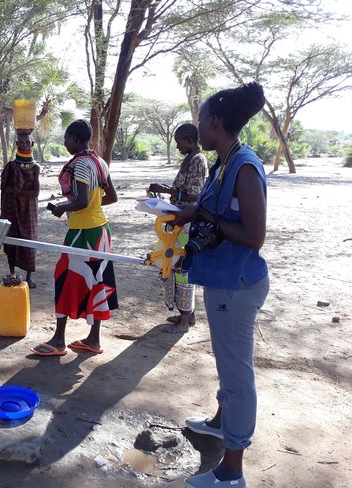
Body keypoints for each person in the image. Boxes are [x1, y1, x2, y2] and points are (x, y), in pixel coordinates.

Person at [169, 82, 269, 488]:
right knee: (227, 363)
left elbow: (254, 235)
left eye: (200, 121)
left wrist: (204, 218)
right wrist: (191, 213)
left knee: (236, 373)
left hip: (238, 284)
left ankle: (232, 470)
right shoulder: (224, 162)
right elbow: (212, 211)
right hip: (223, 280)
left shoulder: (244, 166)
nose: (198, 127)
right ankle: (218, 422)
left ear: (214, 122)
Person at [30, 120, 118, 356]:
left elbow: (81, 202)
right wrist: (89, 207)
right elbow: (112, 197)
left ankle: (59, 340)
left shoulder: (80, 165)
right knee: (97, 282)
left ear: (75, 138)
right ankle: (93, 339)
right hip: (101, 231)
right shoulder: (100, 162)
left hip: (83, 233)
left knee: (64, 277)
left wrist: (61, 207)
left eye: (67, 138)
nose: (65, 143)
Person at [148, 123, 208, 333]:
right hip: (178, 221)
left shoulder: (198, 161)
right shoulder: (189, 160)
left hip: (186, 223)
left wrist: (166, 190)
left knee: (180, 267)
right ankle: (187, 314)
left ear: (189, 140)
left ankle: (185, 320)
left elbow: (196, 197)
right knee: (173, 265)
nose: (178, 146)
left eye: (179, 142)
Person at [0, 131, 40, 288]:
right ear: (16, 144)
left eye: (27, 142)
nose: (24, 145)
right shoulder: (11, 166)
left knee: (29, 241)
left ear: (32, 144)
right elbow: (4, 189)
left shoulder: (35, 167)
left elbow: (35, 192)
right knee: (11, 240)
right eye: (21, 142)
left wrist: (15, 192)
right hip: (11, 208)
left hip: (28, 210)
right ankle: (12, 273)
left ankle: (29, 277)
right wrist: (12, 193)